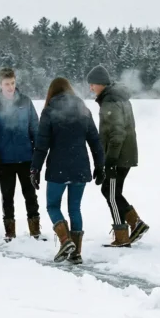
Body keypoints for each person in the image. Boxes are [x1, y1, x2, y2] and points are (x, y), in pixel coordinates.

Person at [30, 77, 105, 264]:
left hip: (58, 168)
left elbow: (41, 144)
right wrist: (100, 166)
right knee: (74, 209)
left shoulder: (49, 110)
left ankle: (65, 241)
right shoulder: (82, 109)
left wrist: (35, 169)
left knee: (52, 206)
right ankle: (76, 253)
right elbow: (95, 141)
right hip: (80, 167)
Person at [86, 64, 149, 248]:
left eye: (92, 84)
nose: (91, 88)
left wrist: (110, 161)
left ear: (101, 83)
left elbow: (117, 133)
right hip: (124, 154)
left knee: (111, 193)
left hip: (118, 156)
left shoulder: (110, 101)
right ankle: (135, 224)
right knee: (112, 191)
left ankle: (123, 234)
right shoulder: (116, 97)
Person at [0, 66, 42, 242]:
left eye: (12, 83)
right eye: (6, 84)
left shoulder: (26, 102)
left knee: (30, 195)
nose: (10, 87)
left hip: (26, 157)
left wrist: (38, 155)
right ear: (0, 84)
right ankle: (10, 233)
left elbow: (35, 128)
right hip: (5, 160)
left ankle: (35, 232)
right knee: (7, 197)